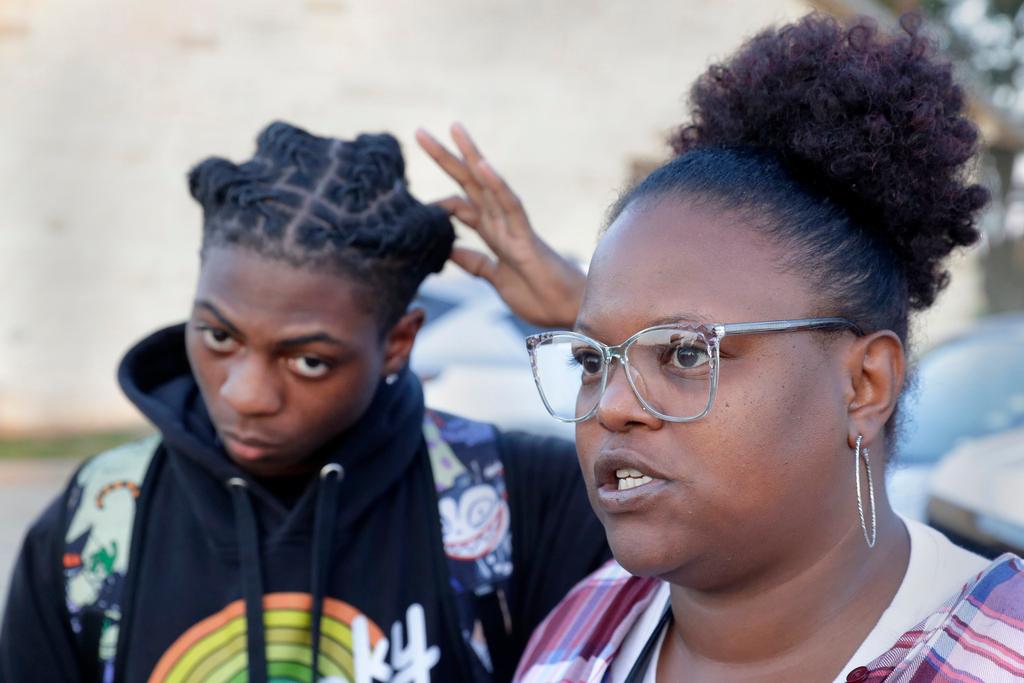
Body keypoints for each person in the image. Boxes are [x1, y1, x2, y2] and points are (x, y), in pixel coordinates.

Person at [418, 13, 1024, 683]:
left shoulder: (995, 658)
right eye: (592, 360)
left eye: (683, 353)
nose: (612, 407)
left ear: (865, 385)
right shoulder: (581, 633)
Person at [0, 122, 609, 683]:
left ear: (397, 344)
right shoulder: (101, 519)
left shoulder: (513, 497)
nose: (246, 395)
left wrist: (591, 317)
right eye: (219, 336)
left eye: (309, 361)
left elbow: (701, 578)